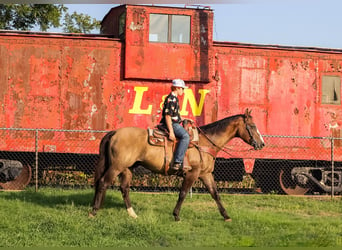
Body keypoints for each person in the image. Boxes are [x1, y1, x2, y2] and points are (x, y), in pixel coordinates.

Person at [159, 79, 191, 171]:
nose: (183, 91)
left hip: (174, 122)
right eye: (182, 88)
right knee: (185, 136)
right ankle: (178, 161)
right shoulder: (171, 99)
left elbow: (174, 115)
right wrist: (171, 132)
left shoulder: (174, 98)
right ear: (177, 88)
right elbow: (168, 116)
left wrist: (184, 119)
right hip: (172, 124)